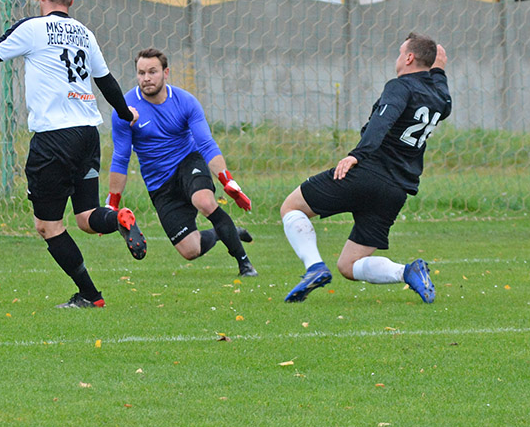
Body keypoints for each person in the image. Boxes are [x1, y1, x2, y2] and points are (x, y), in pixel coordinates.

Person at [0, 0, 147, 309]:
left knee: (48, 225)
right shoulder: (85, 33)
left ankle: (91, 296)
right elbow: (106, 82)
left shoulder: (33, 28)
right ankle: (119, 218)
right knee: (87, 218)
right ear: (72, 0)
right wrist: (126, 113)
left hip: (53, 138)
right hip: (87, 134)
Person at [280, 32, 451, 303]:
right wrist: (439, 69)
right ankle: (409, 272)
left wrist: (356, 155)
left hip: (367, 174)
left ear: (408, 57)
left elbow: (382, 122)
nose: (397, 58)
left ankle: (313, 268)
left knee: (291, 207)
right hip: (396, 190)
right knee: (350, 265)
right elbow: (445, 97)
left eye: (399, 52)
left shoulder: (400, 86)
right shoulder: (439, 99)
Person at [108, 48, 258, 277]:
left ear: (166, 73)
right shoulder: (126, 108)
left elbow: (207, 145)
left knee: (205, 201)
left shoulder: (186, 101)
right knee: (190, 250)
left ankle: (244, 264)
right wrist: (113, 202)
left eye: (152, 72)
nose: (146, 78)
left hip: (187, 162)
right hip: (159, 183)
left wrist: (227, 181)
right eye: (141, 73)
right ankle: (224, 231)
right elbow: (120, 157)